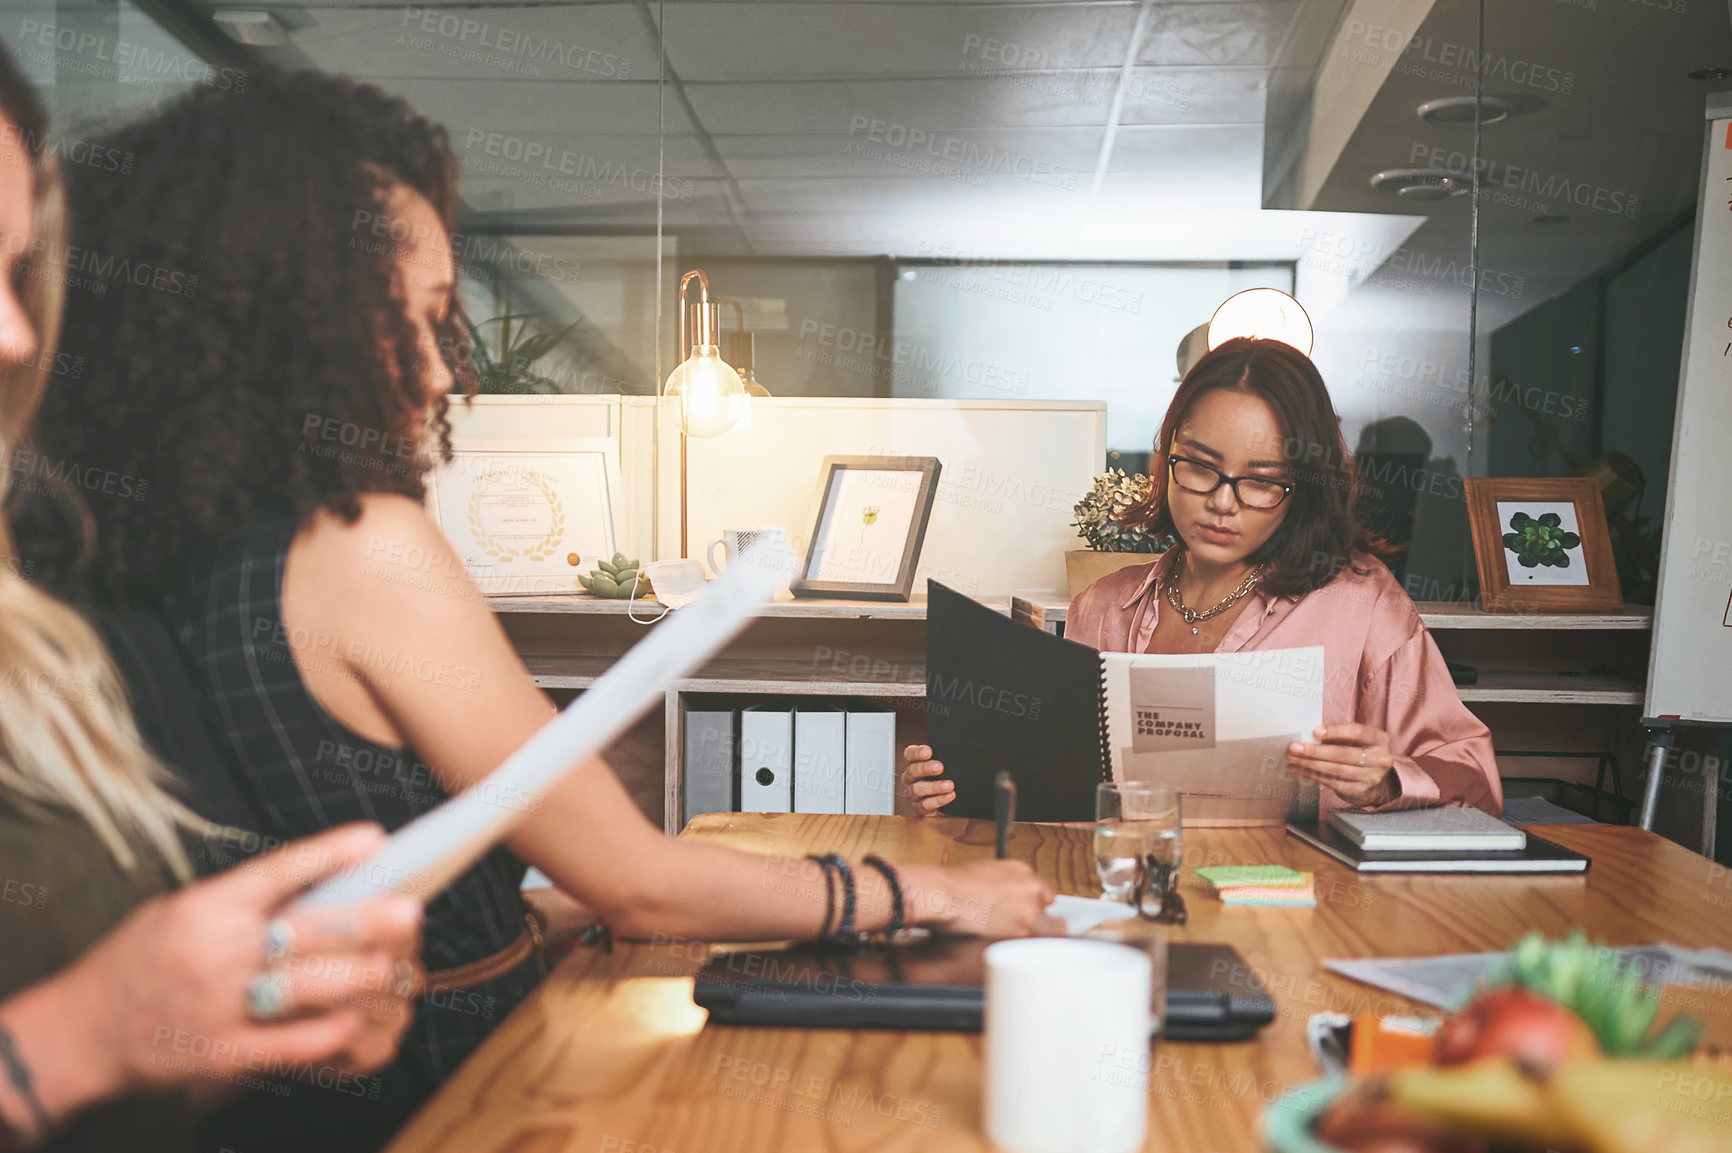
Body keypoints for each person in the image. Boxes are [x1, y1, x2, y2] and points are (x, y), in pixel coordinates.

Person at [22, 70, 1057, 1152]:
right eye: (404, 323)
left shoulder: (130, 545)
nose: (436, 372)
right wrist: (931, 895)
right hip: (455, 1085)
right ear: (283, 323)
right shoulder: (359, 540)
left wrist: (525, 914)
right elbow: (639, 881)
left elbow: (350, 834)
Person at [0, 46, 423, 1151]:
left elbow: (120, 1089)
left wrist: (259, 1019)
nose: (17, 336)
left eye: (14, 275)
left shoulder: (38, 646)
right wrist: (75, 1037)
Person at [904, 338, 1502, 819]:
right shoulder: (1102, 608)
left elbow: (1476, 779)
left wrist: (1388, 780)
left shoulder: (1363, 605)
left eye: (1261, 478)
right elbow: (1061, 800)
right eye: (1201, 466)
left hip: (1296, 923)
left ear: (1304, 486)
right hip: (1121, 906)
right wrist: (958, 788)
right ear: (1165, 459)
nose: (1222, 502)